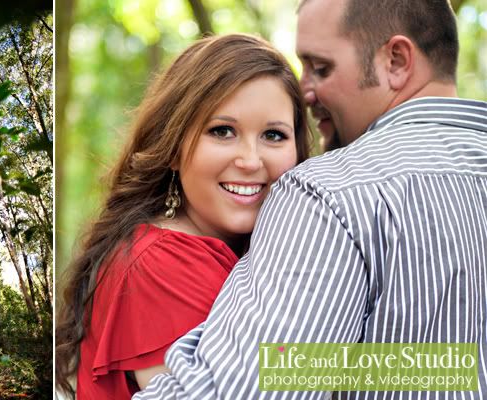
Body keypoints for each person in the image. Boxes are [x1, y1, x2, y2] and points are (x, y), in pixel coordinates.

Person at [135, 0, 487, 398]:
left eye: (321, 68)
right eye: (222, 131)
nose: (305, 91)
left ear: (397, 61)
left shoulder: (331, 192)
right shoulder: (158, 261)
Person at [55, 34, 311, 399]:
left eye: (273, 135)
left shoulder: (242, 251)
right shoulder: (162, 262)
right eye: (222, 131)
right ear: (172, 148)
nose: (251, 161)